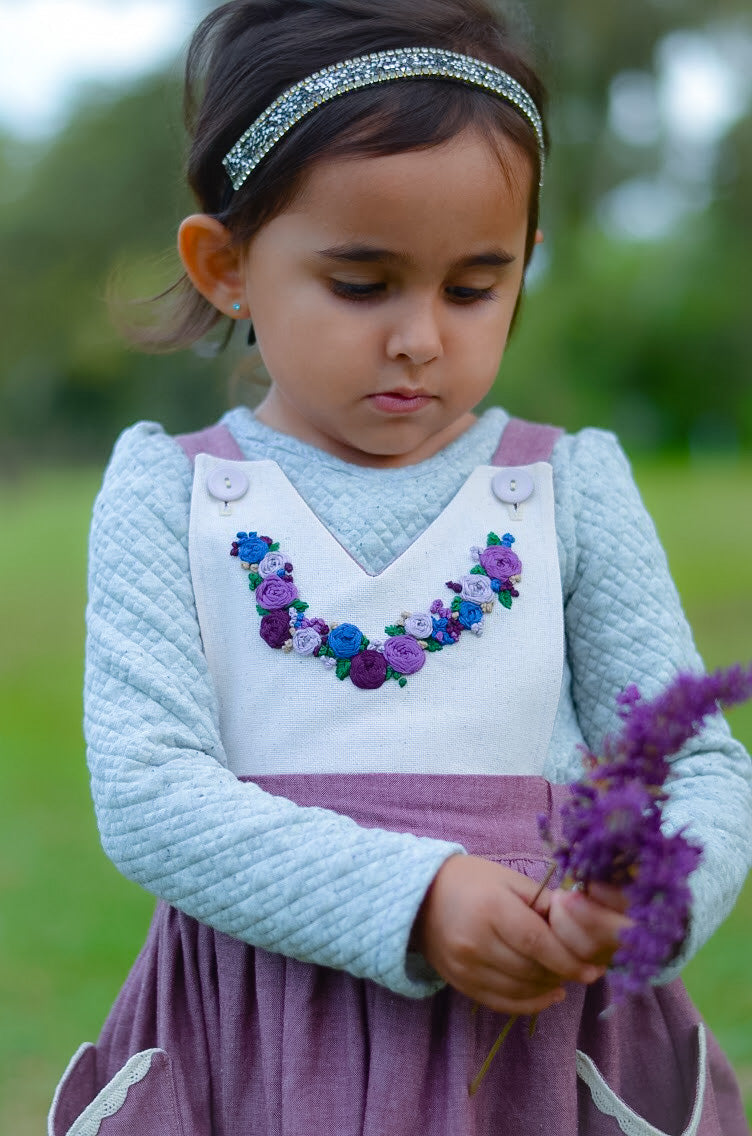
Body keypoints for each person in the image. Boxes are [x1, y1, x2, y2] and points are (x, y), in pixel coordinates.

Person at [50, 1, 752, 1133]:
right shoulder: (172, 492)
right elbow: (149, 796)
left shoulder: (561, 486)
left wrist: (648, 903)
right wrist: (412, 897)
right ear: (225, 264)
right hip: (267, 1041)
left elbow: (696, 767)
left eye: (473, 287)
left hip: (532, 1045)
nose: (421, 335)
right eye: (362, 283)